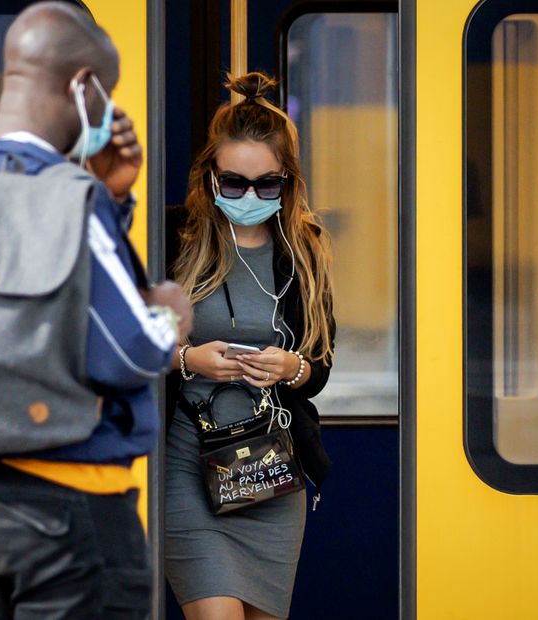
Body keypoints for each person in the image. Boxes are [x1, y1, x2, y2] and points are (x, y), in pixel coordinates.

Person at [0, 3, 191, 619]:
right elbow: (132, 353)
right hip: (70, 516)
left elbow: (22, 293)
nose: (104, 116)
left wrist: (108, 197)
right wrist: (172, 311)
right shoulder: (66, 200)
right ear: (80, 85)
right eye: (106, 96)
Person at [164, 72, 335, 620]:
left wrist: (291, 367)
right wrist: (188, 359)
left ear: (288, 182)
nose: (250, 196)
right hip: (187, 463)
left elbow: (321, 367)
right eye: (233, 183)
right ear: (210, 177)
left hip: (268, 474)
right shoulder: (175, 237)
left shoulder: (303, 249)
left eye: (267, 185)